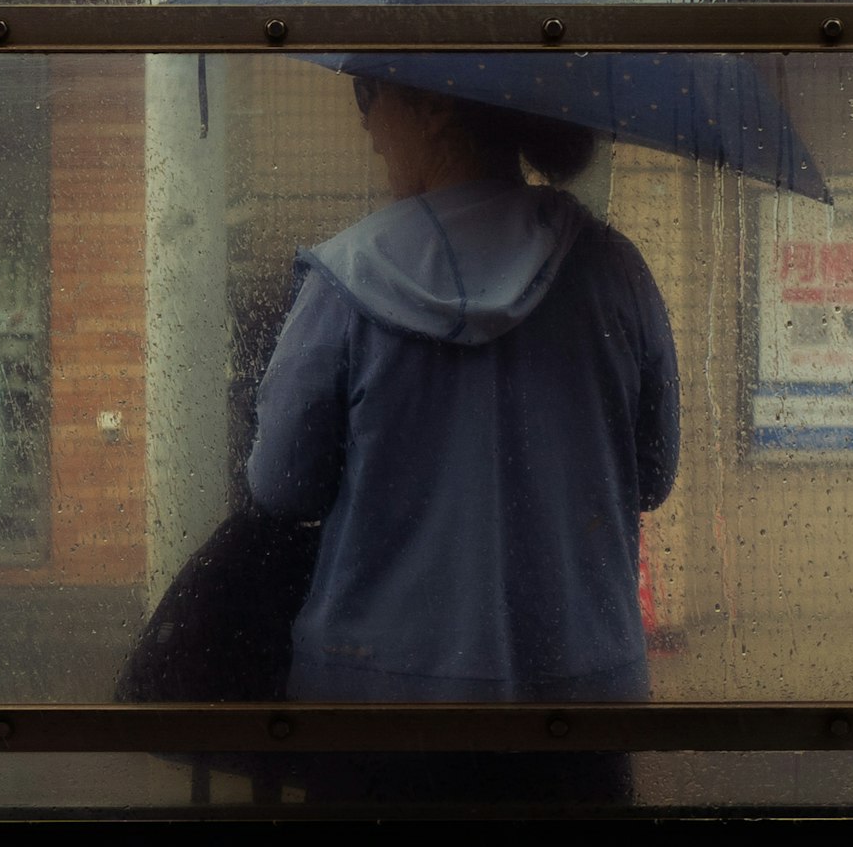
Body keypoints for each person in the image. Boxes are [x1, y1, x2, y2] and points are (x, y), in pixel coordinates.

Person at [245, 75, 679, 707]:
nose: (365, 127)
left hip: (375, 695)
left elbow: (280, 486)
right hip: (584, 693)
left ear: (435, 106)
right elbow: (653, 475)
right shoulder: (614, 270)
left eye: (368, 94)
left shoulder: (344, 281)